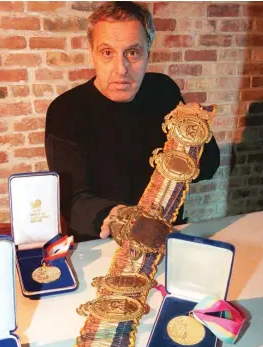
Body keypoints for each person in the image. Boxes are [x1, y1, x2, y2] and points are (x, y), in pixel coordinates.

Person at [45, 1, 220, 242]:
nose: (121, 69)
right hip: (100, 243)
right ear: (92, 52)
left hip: (167, 234)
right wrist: (121, 218)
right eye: (107, 53)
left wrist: (197, 135)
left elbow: (208, 167)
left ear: (148, 51)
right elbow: (72, 201)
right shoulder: (66, 111)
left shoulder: (163, 91)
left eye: (133, 52)